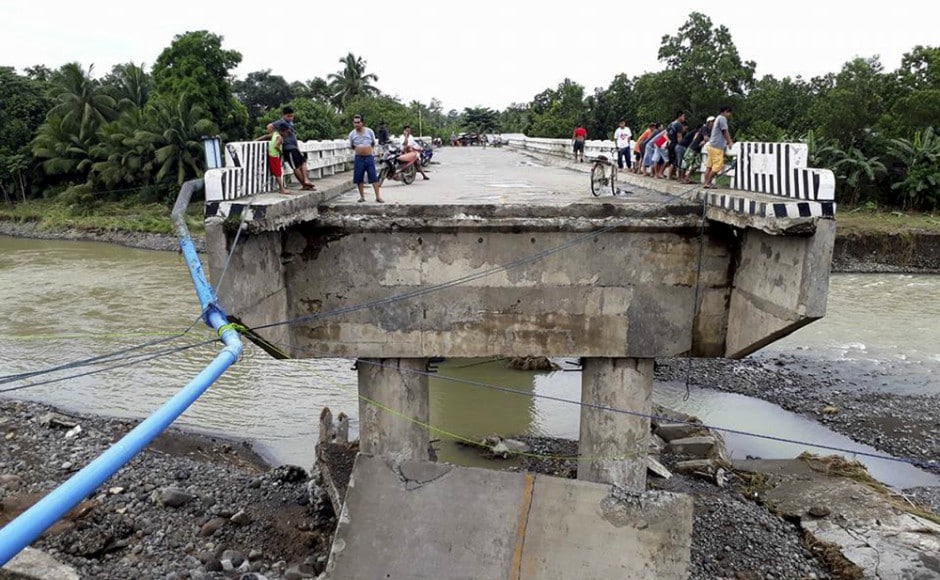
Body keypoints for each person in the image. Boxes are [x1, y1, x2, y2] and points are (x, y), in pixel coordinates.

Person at [266, 106, 316, 191]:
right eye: (288, 116)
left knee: (303, 162)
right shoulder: (281, 122)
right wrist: (276, 136)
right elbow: (269, 126)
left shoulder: (290, 123)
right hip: (288, 148)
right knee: (295, 167)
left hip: (294, 147)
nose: (290, 118)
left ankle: (306, 181)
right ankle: (304, 184)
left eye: (292, 116)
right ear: (284, 115)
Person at [348, 114, 384, 203]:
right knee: (359, 178)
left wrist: (367, 150)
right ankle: (362, 197)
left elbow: (373, 143)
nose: (356, 124)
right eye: (355, 122)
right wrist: (359, 149)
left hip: (369, 157)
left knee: (373, 177)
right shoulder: (352, 134)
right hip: (359, 158)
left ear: (362, 123)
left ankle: (378, 197)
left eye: (358, 122)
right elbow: (351, 145)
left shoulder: (369, 131)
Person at [703, 107, 734, 190]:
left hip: (711, 145)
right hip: (717, 146)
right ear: (724, 112)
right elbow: (725, 131)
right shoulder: (722, 119)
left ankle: (706, 183)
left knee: (709, 166)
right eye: (728, 113)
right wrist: (730, 142)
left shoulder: (717, 118)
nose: (729, 115)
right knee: (718, 166)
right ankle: (709, 182)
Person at [681, 116, 714, 184]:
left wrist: (706, 141)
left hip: (698, 150)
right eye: (712, 121)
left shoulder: (712, 131)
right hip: (693, 147)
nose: (713, 123)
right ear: (708, 122)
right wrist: (705, 140)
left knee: (696, 165)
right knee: (686, 163)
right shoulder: (704, 128)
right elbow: (706, 138)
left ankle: (688, 177)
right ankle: (682, 178)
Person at [268, 125, 289, 194]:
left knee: (277, 172)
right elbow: (276, 146)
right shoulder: (280, 138)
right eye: (286, 132)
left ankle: (281, 188)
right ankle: (282, 189)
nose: (286, 134)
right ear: (282, 132)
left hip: (271, 155)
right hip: (274, 156)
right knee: (278, 173)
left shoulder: (275, 134)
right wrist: (281, 152)